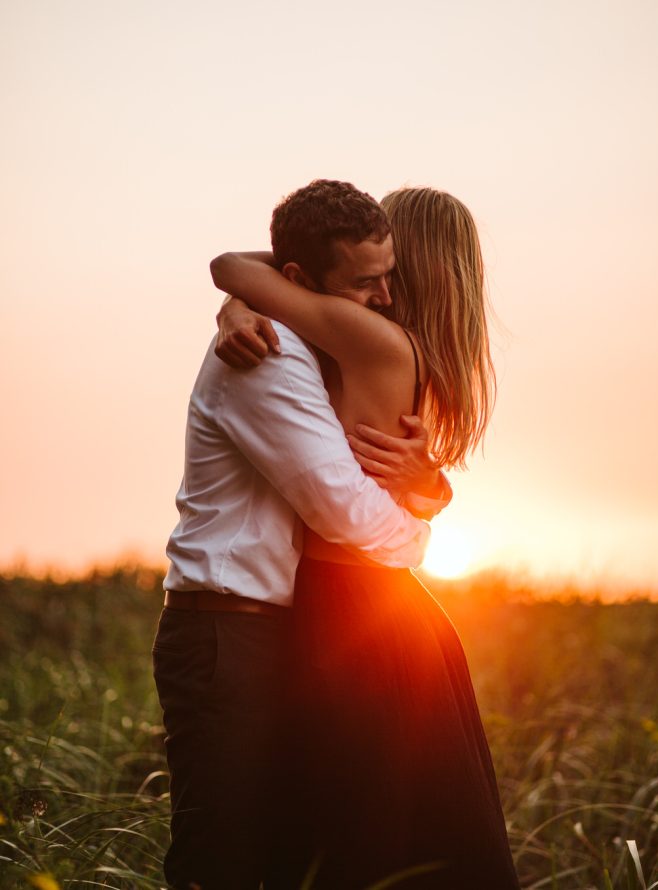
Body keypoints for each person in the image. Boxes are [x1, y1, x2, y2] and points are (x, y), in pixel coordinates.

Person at [212, 182, 522, 888]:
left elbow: (233, 266)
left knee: (356, 833)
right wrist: (239, 309)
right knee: (418, 828)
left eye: (387, 268)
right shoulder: (399, 350)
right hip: (396, 608)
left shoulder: (366, 339)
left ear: (405, 268)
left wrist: (237, 299)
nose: (375, 286)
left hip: (348, 604)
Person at [153, 181, 452, 890]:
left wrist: (432, 483)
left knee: (281, 855)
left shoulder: (304, 339)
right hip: (225, 633)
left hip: (265, 630)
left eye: (389, 277)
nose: (384, 299)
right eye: (365, 283)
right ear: (297, 278)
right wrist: (419, 536)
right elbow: (341, 508)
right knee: (220, 861)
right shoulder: (267, 353)